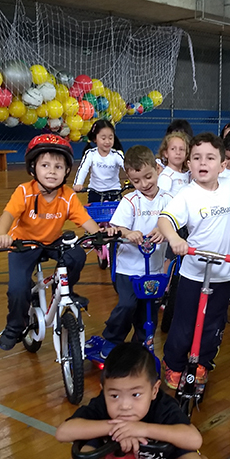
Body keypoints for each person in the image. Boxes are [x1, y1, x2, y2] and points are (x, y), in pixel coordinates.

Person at [56, 343, 224, 459]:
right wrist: (117, 428)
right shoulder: (102, 403)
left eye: (135, 394)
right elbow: (62, 433)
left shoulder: (163, 406)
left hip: (159, 450)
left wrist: (143, 428)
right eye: (114, 395)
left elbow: (194, 440)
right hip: (111, 447)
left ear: (154, 390)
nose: (125, 405)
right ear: (104, 390)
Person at [157, 133, 230, 388]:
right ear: (189, 164)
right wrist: (174, 238)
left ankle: (202, 361)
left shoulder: (227, 186)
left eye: (210, 158)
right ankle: (174, 363)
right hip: (194, 271)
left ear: (222, 165)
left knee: (214, 321)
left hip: (224, 270)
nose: (203, 162)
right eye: (197, 158)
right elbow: (165, 219)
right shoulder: (187, 195)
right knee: (185, 322)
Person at [0, 134, 102, 351]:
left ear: (66, 171)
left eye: (58, 167)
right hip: (22, 244)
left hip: (53, 241)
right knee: (18, 289)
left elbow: (85, 220)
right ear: (33, 169)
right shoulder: (24, 191)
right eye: (45, 165)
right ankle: (15, 326)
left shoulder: (67, 196)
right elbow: (8, 214)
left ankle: (64, 289)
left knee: (77, 254)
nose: (52, 171)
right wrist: (1, 234)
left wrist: (99, 234)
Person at [100, 146, 173, 354]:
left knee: (148, 310)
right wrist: (128, 233)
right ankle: (113, 339)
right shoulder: (130, 201)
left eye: (148, 177)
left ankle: (141, 344)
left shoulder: (168, 200)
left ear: (157, 169)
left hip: (154, 268)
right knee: (127, 305)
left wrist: (164, 230)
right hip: (128, 269)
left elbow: (175, 223)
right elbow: (117, 228)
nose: (144, 184)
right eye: (136, 181)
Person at [73, 119, 126, 203]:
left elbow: (127, 167)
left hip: (114, 192)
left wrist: (135, 180)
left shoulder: (117, 155)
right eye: (103, 138)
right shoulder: (90, 154)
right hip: (95, 192)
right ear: (95, 139)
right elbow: (83, 169)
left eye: (110, 138)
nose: (107, 141)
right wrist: (78, 183)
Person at [157, 131, 191, 196]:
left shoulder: (188, 174)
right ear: (166, 153)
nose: (178, 152)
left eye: (181, 149)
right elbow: (161, 198)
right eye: (173, 149)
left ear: (186, 154)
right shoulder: (166, 176)